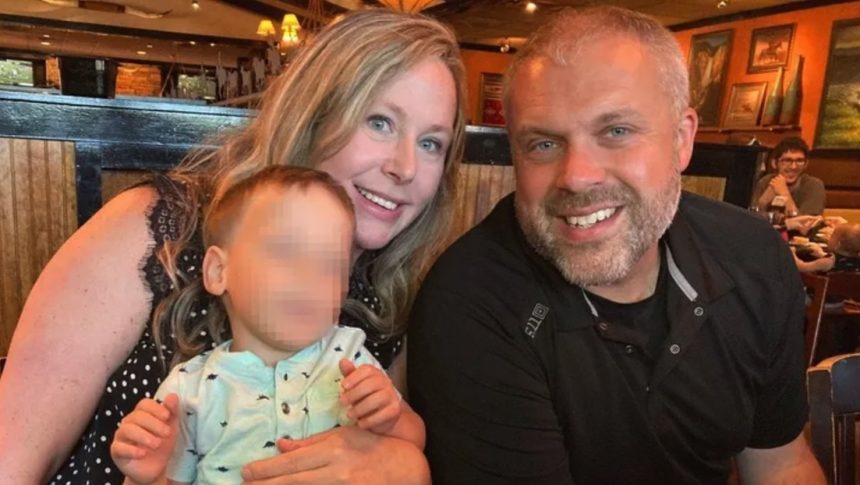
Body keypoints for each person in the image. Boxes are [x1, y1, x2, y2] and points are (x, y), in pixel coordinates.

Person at [0, 9, 465, 484]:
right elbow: (12, 461)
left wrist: (408, 466)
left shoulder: (390, 300)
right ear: (314, 115)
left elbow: (402, 436)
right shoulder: (160, 228)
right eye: (380, 122)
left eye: (431, 143)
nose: (405, 167)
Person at [408, 6, 825, 483]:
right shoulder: (472, 302)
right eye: (543, 144)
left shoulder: (751, 255)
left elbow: (781, 463)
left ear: (682, 139)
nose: (576, 176)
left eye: (616, 132)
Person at [110, 166, 424, 485]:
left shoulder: (348, 357)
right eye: (285, 251)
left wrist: (390, 418)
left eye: (330, 264)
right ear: (219, 272)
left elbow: (415, 440)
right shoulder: (190, 390)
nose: (309, 276)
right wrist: (148, 476)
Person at [752, 136, 826, 216]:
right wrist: (763, 202)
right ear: (774, 163)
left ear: (806, 164)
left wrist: (784, 193)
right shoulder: (765, 181)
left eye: (799, 161)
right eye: (787, 160)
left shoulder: (814, 185)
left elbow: (806, 222)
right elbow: (751, 217)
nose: (793, 167)